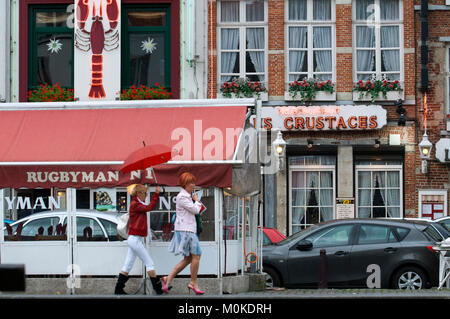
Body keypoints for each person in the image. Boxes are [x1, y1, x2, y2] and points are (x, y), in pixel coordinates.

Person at [114, 183, 164, 295]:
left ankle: (118, 289)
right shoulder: (135, 204)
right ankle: (159, 290)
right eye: (145, 193)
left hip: (135, 239)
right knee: (149, 263)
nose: (146, 195)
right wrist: (156, 193)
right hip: (135, 239)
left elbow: (147, 206)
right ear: (139, 193)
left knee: (128, 265)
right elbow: (149, 207)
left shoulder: (138, 202)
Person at [162, 172, 205, 295]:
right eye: (190, 183)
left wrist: (194, 201)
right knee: (197, 255)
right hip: (186, 230)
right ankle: (193, 282)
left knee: (188, 259)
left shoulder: (186, 196)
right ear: (184, 184)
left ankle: (168, 279)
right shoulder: (183, 197)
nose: (193, 185)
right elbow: (195, 210)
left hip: (186, 229)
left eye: (193, 182)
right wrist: (197, 201)